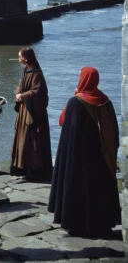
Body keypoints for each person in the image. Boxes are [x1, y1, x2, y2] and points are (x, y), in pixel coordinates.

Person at [48, 66, 121, 237]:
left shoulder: (76, 102)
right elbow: (113, 131)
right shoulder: (106, 101)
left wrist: (74, 96)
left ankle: (77, 225)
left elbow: (63, 122)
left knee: (79, 190)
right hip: (101, 158)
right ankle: (102, 223)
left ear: (84, 80)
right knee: (99, 190)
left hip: (78, 159)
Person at [10, 47, 53, 181]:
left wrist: (22, 96)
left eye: (20, 56)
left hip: (33, 114)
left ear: (26, 58)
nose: (18, 58)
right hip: (24, 111)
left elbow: (37, 92)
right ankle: (22, 168)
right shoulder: (25, 71)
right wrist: (18, 93)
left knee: (32, 141)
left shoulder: (37, 74)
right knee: (22, 140)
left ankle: (35, 171)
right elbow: (20, 84)